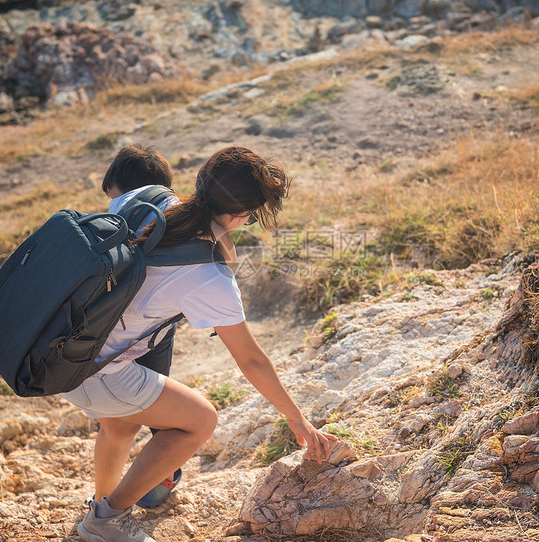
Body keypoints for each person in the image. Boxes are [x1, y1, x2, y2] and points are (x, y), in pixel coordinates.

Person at [65, 145, 337, 542]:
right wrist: (298, 420)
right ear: (244, 214)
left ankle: (103, 506)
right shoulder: (209, 276)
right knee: (201, 420)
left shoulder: (151, 199)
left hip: (64, 352)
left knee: (121, 429)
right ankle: (105, 521)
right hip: (99, 374)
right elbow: (251, 360)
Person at [101, 143, 186, 509]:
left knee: (121, 425)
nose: (113, 205)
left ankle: (108, 498)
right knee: (147, 418)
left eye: (115, 196)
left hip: (111, 338)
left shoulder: (120, 224)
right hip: (154, 332)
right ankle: (153, 482)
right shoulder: (177, 220)